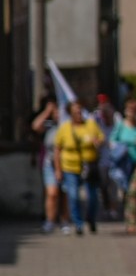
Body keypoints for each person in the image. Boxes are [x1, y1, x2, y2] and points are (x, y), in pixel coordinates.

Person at [55, 100, 106, 236]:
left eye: (79, 111)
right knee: (73, 196)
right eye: (75, 112)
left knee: (92, 197)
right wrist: (58, 169)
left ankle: (91, 218)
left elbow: (102, 138)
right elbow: (57, 149)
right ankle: (78, 223)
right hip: (70, 166)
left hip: (89, 166)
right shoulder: (64, 128)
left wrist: (98, 142)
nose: (78, 114)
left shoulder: (91, 125)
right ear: (70, 114)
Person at [110, 96, 136, 232]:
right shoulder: (120, 126)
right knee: (126, 192)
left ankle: (132, 223)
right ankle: (130, 219)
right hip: (124, 163)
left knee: (132, 191)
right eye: (129, 109)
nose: (131, 113)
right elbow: (112, 142)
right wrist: (122, 146)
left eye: (134, 110)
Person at [31, 96, 62, 233]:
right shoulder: (48, 124)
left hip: (67, 162)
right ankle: (50, 220)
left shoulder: (67, 123)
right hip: (49, 163)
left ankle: (64, 220)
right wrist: (47, 112)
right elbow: (35, 126)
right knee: (51, 193)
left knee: (64, 194)